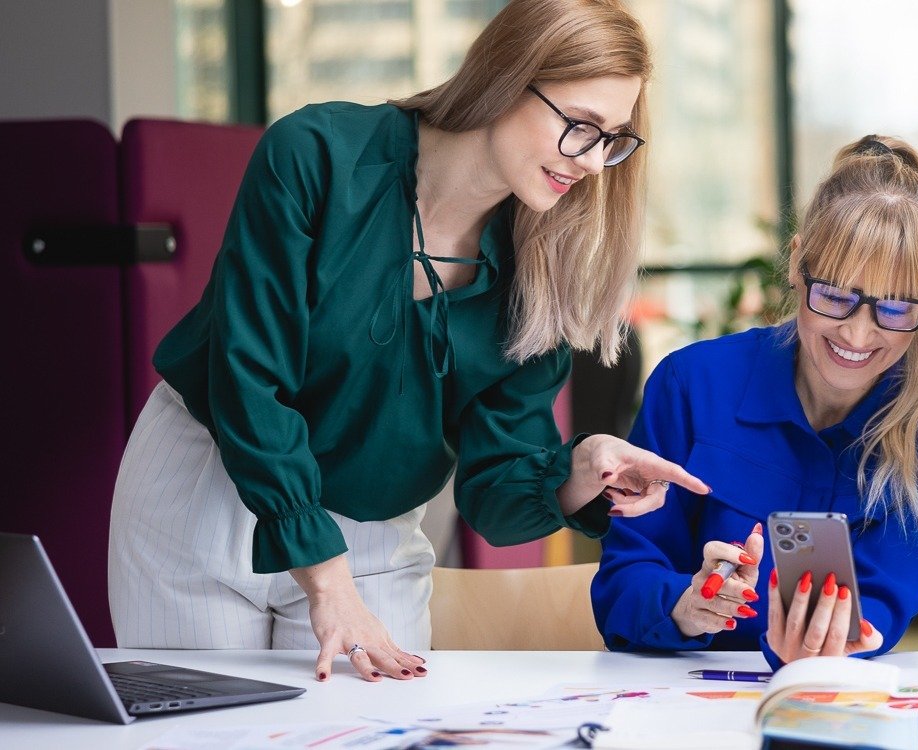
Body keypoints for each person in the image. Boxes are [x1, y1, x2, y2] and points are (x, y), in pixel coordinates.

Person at [108, 0, 707, 685]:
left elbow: (496, 490)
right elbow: (247, 376)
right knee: (203, 733)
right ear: (506, 77)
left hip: (373, 524)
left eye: (613, 139)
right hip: (210, 483)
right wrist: (327, 583)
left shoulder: (542, 265)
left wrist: (582, 471)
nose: (594, 163)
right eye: (580, 127)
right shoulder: (315, 155)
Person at [591, 135, 918, 667]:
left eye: (893, 309)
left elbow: (878, 610)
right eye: (835, 296)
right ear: (798, 263)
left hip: (834, 702)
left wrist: (828, 642)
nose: (857, 334)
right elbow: (623, 586)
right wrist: (686, 605)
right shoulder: (692, 385)